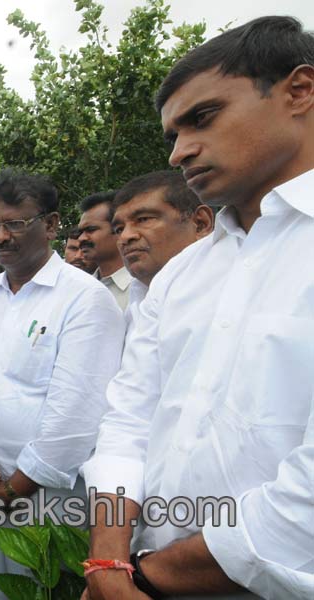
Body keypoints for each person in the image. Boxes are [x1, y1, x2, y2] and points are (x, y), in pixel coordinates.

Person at [82, 16, 314, 600]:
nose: (182, 149)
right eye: (172, 136)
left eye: (203, 118)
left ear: (299, 91)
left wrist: (146, 579)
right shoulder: (183, 273)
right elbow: (130, 420)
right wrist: (107, 562)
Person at [0, 170, 124, 600]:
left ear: (51, 224)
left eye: (15, 224)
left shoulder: (84, 298)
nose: (1, 237)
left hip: (46, 498)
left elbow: (76, 415)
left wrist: (15, 488)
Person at [110, 170, 213, 330]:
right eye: (118, 229)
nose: (125, 237)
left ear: (200, 223)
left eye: (144, 219)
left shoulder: (236, 293)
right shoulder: (134, 306)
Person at [78, 192, 132, 308]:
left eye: (90, 229)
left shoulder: (144, 286)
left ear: (119, 230)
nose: (81, 238)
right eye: (80, 232)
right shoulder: (79, 288)